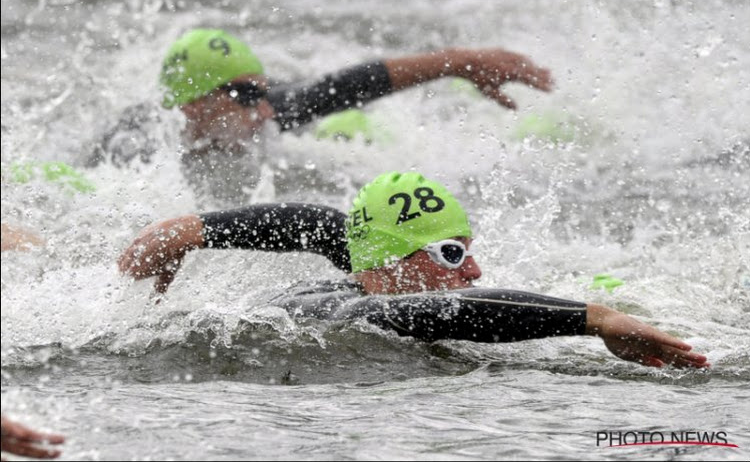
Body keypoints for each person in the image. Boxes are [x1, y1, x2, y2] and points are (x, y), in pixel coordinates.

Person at [118, 172, 709, 369]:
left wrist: (198, 229)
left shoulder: (365, 270)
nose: (474, 268)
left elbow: (325, 225)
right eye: (452, 252)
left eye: (468, 250)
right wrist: (592, 319)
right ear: (396, 265)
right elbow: (437, 310)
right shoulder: (343, 309)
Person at [88, 28, 552, 167]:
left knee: (339, 122)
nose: (265, 111)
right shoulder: (136, 149)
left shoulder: (268, 113)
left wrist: (458, 60)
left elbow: (352, 83)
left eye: (265, 94)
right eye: (247, 96)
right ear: (193, 105)